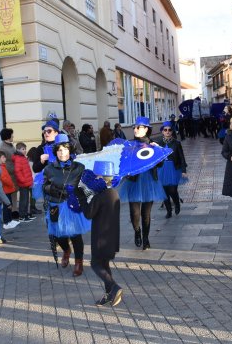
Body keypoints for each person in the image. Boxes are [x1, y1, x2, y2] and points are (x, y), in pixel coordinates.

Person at [43, 134, 90, 277]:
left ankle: (78, 262)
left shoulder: (79, 167)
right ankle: (66, 251)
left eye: (65, 149)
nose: (62, 153)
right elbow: (44, 186)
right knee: (59, 236)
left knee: (75, 236)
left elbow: (86, 186)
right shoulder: (49, 169)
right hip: (55, 205)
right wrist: (54, 190)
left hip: (72, 206)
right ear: (55, 152)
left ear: (70, 150)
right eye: (59, 150)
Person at [77, 161, 123, 307]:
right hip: (112, 237)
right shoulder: (114, 193)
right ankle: (109, 295)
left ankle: (114, 286)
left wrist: (82, 197)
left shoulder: (101, 196)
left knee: (95, 263)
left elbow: (89, 214)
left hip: (101, 237)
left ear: (100, 177)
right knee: (104, 264)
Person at [119, 116, 167, 249]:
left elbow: (161, 164)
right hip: (134, 181)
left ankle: (146, 238)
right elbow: (123, 162)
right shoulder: (129, 145)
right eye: (134, 127)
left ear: (146, 129)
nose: (135, 129)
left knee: (146, 214)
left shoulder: (153, 143)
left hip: (149, 181)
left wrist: (158, 150)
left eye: (138, 127)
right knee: (134, 213)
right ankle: (137, 231)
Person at [155, 121, 187, 218]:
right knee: (164, 191)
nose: (167, 131)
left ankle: (177, 204)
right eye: (165, 130)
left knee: (172, 190)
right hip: (162, 169)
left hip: (173, 169)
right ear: (162, 132)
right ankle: (169, 211)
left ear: (172, 131)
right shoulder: (158, 143)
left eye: (169, 130)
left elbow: (181, 157)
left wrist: (184, 170)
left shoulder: (176, 143)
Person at [11, 142, 36, 222]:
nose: (25, 150)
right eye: (23, 149)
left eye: (25, 149)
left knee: (26, 199)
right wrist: (23, 180)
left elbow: (27, 171)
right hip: (23, 183)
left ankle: (25, 214)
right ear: (18, 149)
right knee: (23, 200)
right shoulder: (18, 158)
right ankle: (22, 216)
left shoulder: (23, 157)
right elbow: (17, 171)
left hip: (26, 182)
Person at [0, 127, 18, 223]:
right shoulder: (2, 148)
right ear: (8, 136)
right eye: (11, 135)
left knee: (13, 194)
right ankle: (10, 215)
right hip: (8, 174)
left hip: (13, 174)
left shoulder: (10, 145)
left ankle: (14, 211)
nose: (13, 136)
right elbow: (2, 162)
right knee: (9, 194)